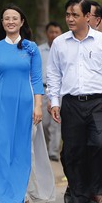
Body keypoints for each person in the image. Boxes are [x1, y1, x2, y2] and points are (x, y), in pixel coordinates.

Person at [47, 0, 102, 203]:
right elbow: (53, 74)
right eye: (68, 15)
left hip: (98, 102)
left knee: (100, 145)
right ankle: (80, 197)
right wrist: (53, 101)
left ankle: (98, 192)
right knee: (73, 151)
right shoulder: (60, 43)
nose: (70, 19)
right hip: (71, 104)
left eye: (75, 15)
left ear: (87, 17)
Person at [0, 5, 52, 203]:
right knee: (0, 150)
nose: (10, 21)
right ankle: (2, 199)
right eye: (6, 18)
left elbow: (37, 79)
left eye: (14, 18)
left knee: (20, 151)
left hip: (25, 104)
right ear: (2, 23)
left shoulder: (31, 48)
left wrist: (38, 106)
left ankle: (18, 197)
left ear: (21, 22)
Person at [37, 21, 63, 161]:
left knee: (56, 122)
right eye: (51, 32)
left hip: (59, 90)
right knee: (44, 122)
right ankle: (46, 148)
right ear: (47, 33)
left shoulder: (64, 49)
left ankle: (53, 152)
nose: (54, 35)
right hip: (42, 89)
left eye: (56, 32)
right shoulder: (39, 50)